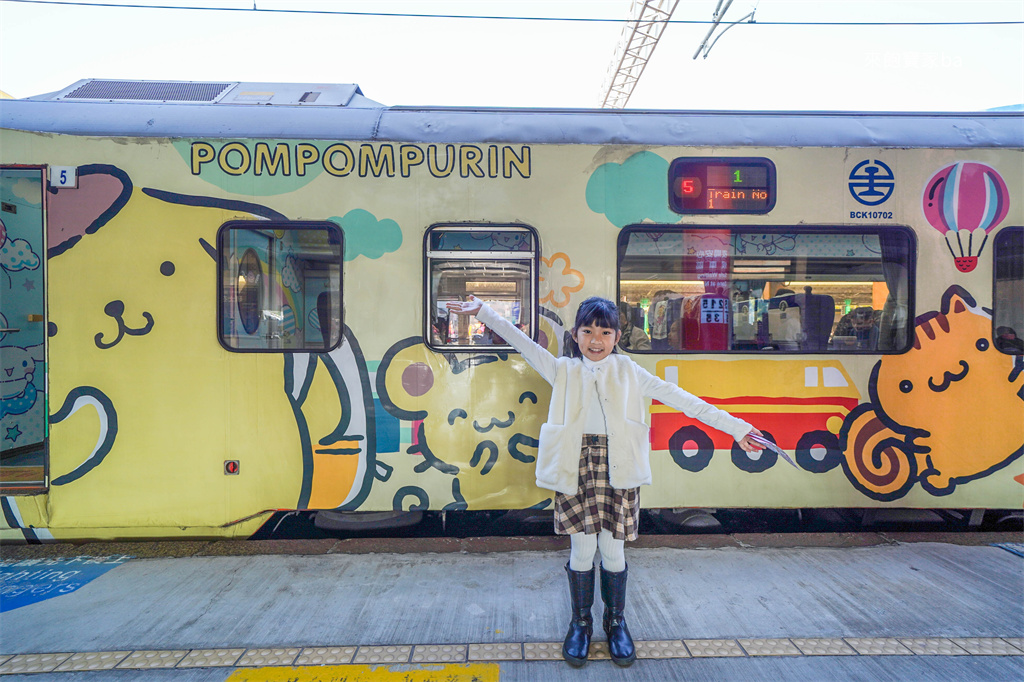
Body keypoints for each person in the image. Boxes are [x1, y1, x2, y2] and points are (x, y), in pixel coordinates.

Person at [447, 295, 764, 668]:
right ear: (576, 334)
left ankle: (616, 623)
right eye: (587, 331)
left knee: (613, 552)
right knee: (581, 552)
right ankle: (580, 624)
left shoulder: (630, 371)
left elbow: (685, 400)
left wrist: (739, 429)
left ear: (617, 336)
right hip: (575, 468)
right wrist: (485, 313)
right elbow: (523, 343)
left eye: (605, 331)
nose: (595, 340)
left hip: (620, 469)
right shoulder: (562, 369)